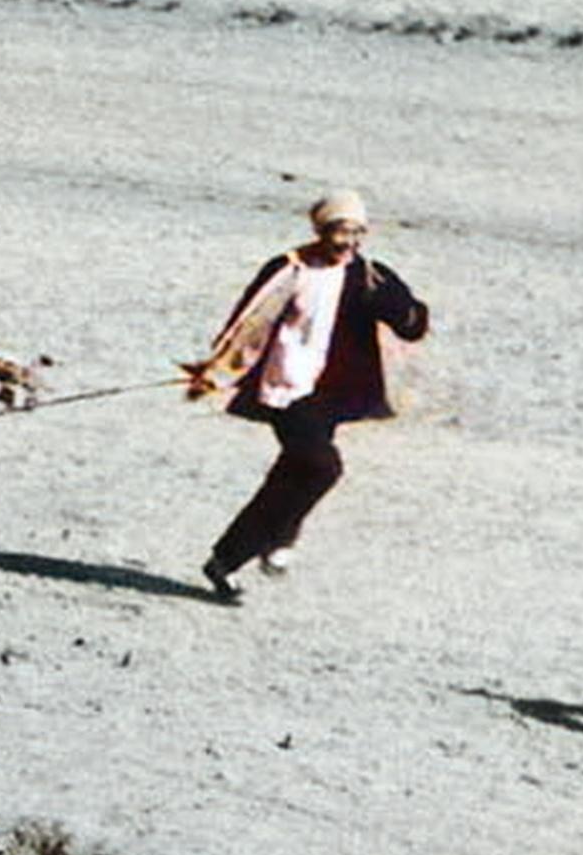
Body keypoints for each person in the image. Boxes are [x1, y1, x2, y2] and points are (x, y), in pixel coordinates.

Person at [179, 188, 433, 602]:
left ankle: (227, 561)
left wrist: (397, 305)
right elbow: (248, 321)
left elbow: (413, 325)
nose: (347, 242)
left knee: (294, 472)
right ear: (321, 231)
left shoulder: (369, 275)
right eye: (339, 232)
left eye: (355, 233)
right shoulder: (290, 269)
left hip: (331, 393)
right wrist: (215, 372)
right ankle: (273, 540)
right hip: (285, 387)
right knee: (321, 467)